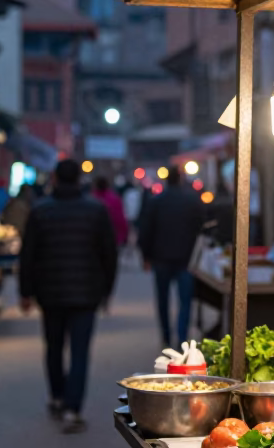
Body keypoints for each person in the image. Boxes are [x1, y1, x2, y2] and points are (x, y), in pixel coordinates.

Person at [20, 160, 118, 433]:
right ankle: (72, 409)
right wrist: (107, 290)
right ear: (79, 179)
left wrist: (25, 292)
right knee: (79, 352)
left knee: (53, 347)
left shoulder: (40, 211)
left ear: (54, 178)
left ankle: (57, 396)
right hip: (86, 293)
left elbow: (28, 255)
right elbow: (109, 254)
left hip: (49, 292)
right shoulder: (96, 211)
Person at [138, 164, 205, 348]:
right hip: (186, 258)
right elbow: (202, 228)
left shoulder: (156, 202)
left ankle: (166, 337)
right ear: (181, 179)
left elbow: (145, 230)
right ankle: (181, 337)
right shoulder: (192, 201)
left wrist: (145, 256)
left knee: (163, 300)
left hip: (161, 258)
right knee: (185, 301)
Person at [92, 176, 129, 248]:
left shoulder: (92, 199)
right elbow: (120, 218)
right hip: (113, 237)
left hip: (94, 238)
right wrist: (124, 235)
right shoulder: (114, 199)